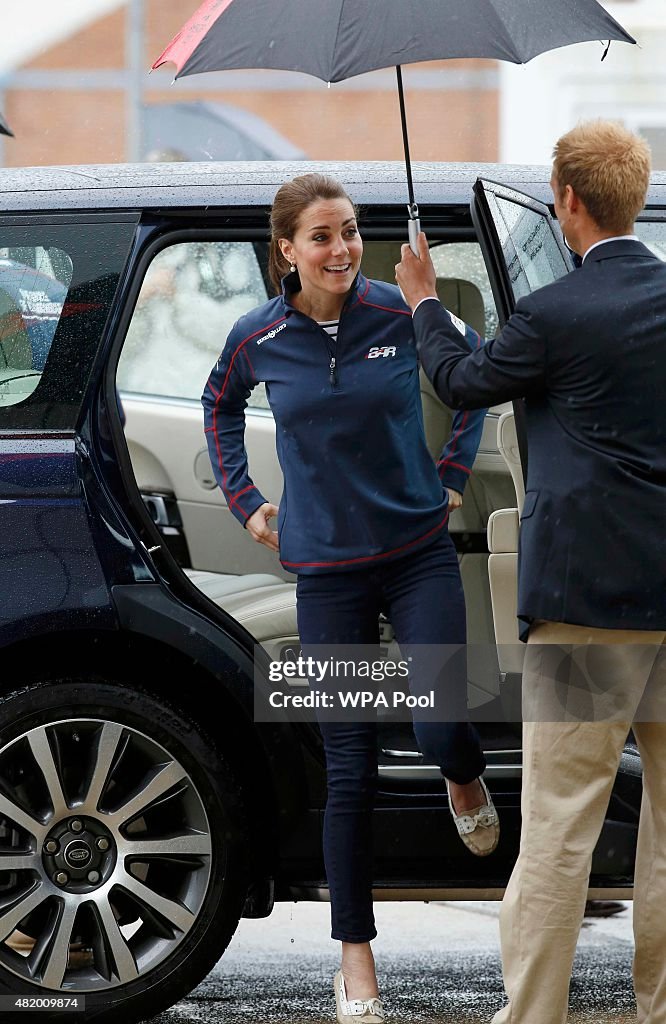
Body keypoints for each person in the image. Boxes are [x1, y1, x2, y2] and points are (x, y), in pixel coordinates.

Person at [202, 172, 500, 1023]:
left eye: (351, 231)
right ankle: (356, 959)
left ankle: (466, 781)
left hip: (417, 555)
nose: (341, 249)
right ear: (287, 249)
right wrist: (247, 504)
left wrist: (449, 477)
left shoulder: (395, 313)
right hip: (327, 573)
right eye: (323, 235)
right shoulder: (256, 336)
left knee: (443, 720)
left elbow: (471, 380)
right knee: (349, 767)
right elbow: (217, 406)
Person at [395, 120, 666, 1024]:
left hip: (587, 605)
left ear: (568, 202)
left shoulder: (554, 314)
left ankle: (535, 1016)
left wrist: (426, 299)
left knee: (559, 824)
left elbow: (462, 379)